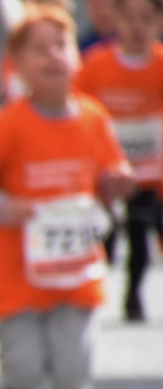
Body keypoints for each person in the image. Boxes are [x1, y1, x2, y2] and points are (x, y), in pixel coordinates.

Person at [0, 4, 134, 389]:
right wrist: (3, 206)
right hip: (19, 275)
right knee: (25, 369)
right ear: (17, 64)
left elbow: (108, 174)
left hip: (78, 272)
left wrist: (117, 183)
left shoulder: (93, 117)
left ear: (76, 56)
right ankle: (17, 382)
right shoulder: (7, 125)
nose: (53, 57)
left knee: (74, 371)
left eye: (60, 46)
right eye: (38, 49)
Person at [75, 0, 163, 321]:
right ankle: (92, 288)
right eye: (129, 19)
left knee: (140, 231)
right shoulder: (96, 64)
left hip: (147, 168)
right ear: (115, 20)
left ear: (158, 20)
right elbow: (77, 109)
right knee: (104, 230)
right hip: (106, 169)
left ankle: (133, 296)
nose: (137, 27)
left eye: (145, 18)